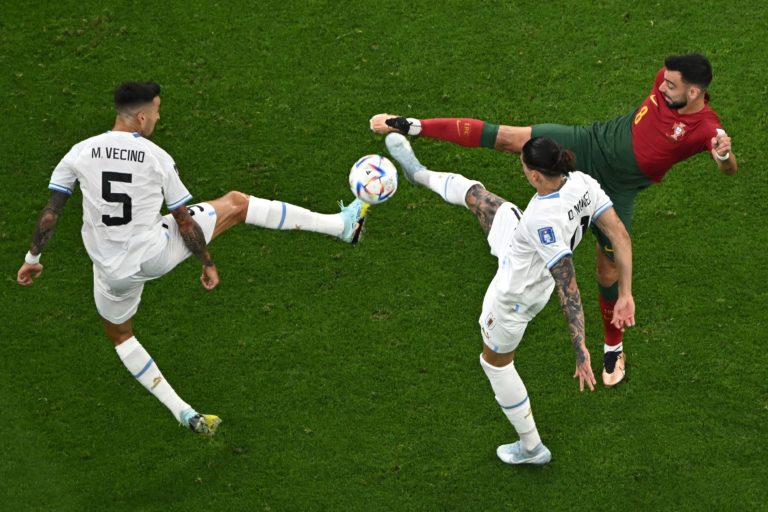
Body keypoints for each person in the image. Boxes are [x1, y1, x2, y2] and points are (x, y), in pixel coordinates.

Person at [16, 81, 368, 435]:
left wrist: (33, 257)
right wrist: (207, 262)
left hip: (109, 272)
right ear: (141, 116)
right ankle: (340, 226)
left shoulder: (79, 152)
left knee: (121, 336)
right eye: (156, 110)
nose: (157, 116)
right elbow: (184, 222)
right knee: (236, 204)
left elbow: (51, 213)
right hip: (155, 254)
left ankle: (185, 414)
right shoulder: (156, 158)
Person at [370, 53, 736, 387]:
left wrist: (723, 156)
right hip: (589, 143)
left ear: (694, 92)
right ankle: (414, 127)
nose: (660, 86)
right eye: (664, 80)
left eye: (670, 86)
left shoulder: (706, 128)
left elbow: (729, 169)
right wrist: (409, 124)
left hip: (620, 189)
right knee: (508, 138)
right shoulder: (665, 80)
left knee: (607, 273)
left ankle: (613, 346)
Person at [383, 132, 635, 464]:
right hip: (520, 245)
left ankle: (531, 447)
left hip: (516, 295)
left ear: (534, 175)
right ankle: (417, 172)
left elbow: (568, 286)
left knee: (495, 364)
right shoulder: (582, 183)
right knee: (477, 196)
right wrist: (625, 294)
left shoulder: (543, 220)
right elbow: (618, 232)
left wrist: (580, 349)